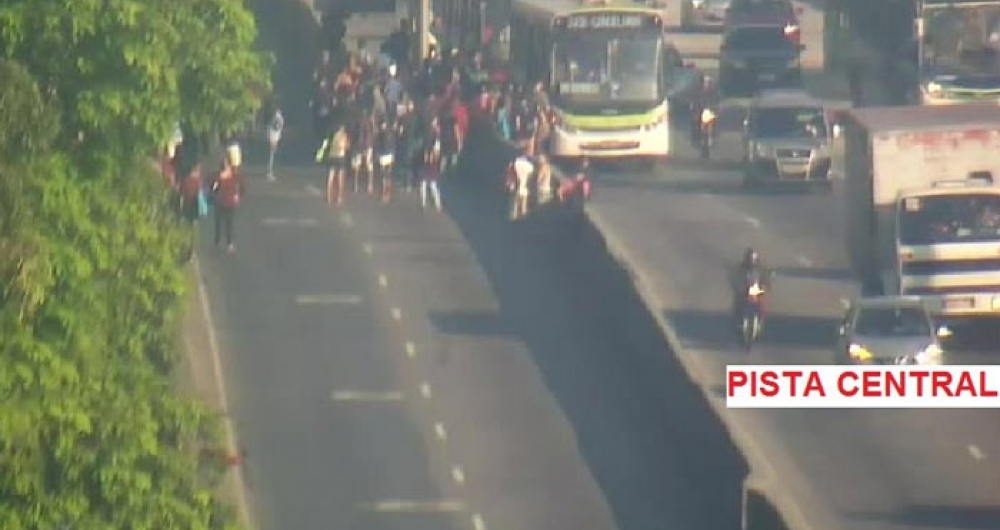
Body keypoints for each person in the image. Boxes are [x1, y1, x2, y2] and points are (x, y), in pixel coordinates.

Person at [211, 158, 245, 253]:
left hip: (225, 202)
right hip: (223, 202)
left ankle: (224, 243)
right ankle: (223, 243)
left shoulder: (229, 177)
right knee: (223, 224)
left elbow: (241, 187)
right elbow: (213, 188)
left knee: (225, 224)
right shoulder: (227, 177)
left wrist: (238, 195)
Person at [731, 247, 773, 320]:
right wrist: (739, 287)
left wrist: (766, 285)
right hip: (745, 289)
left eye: (753, 259)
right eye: (750, 259)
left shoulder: (761, 269)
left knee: (762, 302)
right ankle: (738, 315)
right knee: (739, 300)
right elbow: (736, 278)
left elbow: (766, 278)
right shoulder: (741, 268)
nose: (752, 261)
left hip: (757, 290)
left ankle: (762, 316)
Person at [317, 123, 350, 205]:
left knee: (330, 177)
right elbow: (347, 146)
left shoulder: (331, 135)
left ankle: (328, 197)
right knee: (340, 178)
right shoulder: (344, 135)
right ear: (342, 128)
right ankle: (339, 197)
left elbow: (326, 145)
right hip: (340, 157)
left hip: (331, 157)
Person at [374, 119, 396, 204]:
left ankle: (384, 194)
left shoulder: (380, 135)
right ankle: (388, 194)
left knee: (384, 176)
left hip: (383, 156)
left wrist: (378, 155)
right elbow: (393, 146)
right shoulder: (391, 135)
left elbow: (378, 146)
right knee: (388, 175)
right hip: (389, 155)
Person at [509, 150, 534, 220]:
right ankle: (523, 222)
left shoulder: (514, 164)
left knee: (514, 206)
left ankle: (513, 219)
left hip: (514, 188)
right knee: (523, 207)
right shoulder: (529, 166)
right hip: (524, 188)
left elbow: (510, 174)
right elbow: (531, 177)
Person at [421, 141, 443, 211]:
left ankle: (437, 204)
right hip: (428, 170)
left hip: (432, 171)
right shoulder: (430, 152)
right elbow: (426, 160)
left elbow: (431, 161)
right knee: (424, 185)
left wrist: (429, 157)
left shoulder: (436, 156)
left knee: (433, 187)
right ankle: (423, 203)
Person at [267, 107, 284, 181]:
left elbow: (277, 129)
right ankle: (270, 172)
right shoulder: (278, 119)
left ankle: (270, 171)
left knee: (272, 154)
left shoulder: (276, 119)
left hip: (274, 137)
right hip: (274, 137)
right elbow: (277, 128)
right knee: (272, 155)